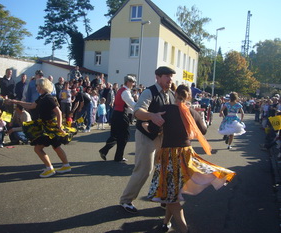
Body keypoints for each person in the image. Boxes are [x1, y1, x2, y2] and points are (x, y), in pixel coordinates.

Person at [147, 84, 236, 233]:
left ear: (175, 94)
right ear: (189, 96)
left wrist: (146, 125)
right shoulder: (192, 112)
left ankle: (184, 229)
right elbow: (203, 130)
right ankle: (165, 222)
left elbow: (153, 129)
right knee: (172, 193)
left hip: (169, 156)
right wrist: (195, 118)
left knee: (171, 195)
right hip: (186, 154)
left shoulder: (166, 109)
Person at [119, 66, 176, 213]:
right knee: (144, 169)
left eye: (171, 76)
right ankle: (126, 200)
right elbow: (138, 111)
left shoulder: (170, 94)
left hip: (163, 137)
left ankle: (164, 198)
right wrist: (151, 115)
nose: (170, 79)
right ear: (157, 77)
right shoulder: (149, 91)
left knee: (165, 169)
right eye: (166, 76)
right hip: (147, 135)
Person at [11, 78, 77, 178]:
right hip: (46, 126)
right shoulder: (42, 97)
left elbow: (58, 112)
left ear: (42, 87)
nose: (36, 87)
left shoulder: (48, 97)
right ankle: (66, 165)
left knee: (38, 148)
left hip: (50, 127)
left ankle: (49, 168)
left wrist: (59, 126)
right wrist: (17, 102)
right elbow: (32, 105)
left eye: (37, 85)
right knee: (56, 146)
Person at [99, 75, 136, 162]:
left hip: (116, 114)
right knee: (124, 136)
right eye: (133, 82)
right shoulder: (126, 92)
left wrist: (134, 111)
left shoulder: (121, 90)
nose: (134, 84)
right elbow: (132, 104)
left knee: (115, 135)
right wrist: (140, 109)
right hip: (121, 115)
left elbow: (127, 106)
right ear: (128, 82)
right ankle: (118, 157)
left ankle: (105, 150)